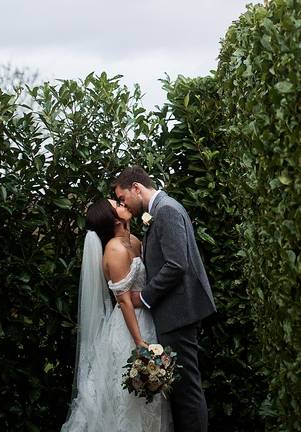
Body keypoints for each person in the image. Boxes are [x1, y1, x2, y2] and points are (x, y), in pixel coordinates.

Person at [113, 166, 216, 432]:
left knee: (187, 391)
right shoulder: (158, 211)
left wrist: (144, 297)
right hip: (176, 312)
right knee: (181, 390)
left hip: (179, 312)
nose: (124, 204)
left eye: (123, 198)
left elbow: (176, 264)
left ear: (137, 188)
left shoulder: (166, 210)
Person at [61, 198, 173, 432]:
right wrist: (139, 342)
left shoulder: (133, 241)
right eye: (118, 205)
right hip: (129, 327)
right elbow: (123, 301)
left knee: (150, 400)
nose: (125, 205)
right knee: (127, 399)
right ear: (114, 219)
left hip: (149, 318)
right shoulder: (114, 249)